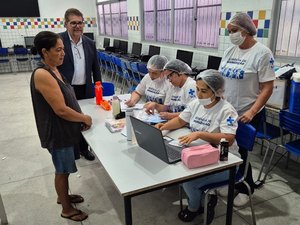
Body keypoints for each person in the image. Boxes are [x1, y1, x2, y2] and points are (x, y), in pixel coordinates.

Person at [155, 70, 239, 224]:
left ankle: (196, 207)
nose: (199, 95)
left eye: (204, 91)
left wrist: (201, 134)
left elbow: (229, 139)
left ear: (216, 92)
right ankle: (204, 197)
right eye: (198, 89)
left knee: (189, 181)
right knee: (176, 169)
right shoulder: (196, 103)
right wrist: (163, 127)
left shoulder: (226, 110)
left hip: (225, 161)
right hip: (199, 152)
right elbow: (180, 121)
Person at [30, 31, 92, 221]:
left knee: (64, 169)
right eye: (58, 50)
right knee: (62, 171)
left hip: (65, 130)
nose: (63, 53)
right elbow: (61, 110)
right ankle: (66, 208)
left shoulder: (55, 69)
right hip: (56, 133)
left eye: (63, 49)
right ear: (44, 52)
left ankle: (63, 196)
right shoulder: (43, 74)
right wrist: (84, 117)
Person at [219, 12, 275, 206]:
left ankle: (245, 187)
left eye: (234, 30)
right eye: (229, 31)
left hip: (247, 113)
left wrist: (252, 112)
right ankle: (229, 181)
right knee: (224, 148)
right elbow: (221, 78)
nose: (231, 35)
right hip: (226, 110)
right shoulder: (230, 51)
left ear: (246, 30)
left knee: (241, 151)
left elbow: (267, 87)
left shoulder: (262, 53)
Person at [57, 8, 101, 161]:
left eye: (80, 23)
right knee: (69, 119)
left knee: (85, 118)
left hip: (85, 88)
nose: (77, 26)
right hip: (67, 89)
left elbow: (96, 67)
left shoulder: (89, 43)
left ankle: (84, 148)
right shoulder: (59, 41)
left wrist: (98, 86)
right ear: (66, 24)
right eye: (73, 23)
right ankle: (72, 149)